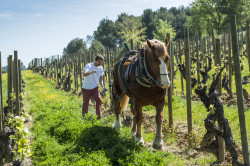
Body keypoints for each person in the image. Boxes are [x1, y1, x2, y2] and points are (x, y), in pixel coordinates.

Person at [82, 54, 106, 119]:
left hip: (95, 87)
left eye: (101, 62)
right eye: (99, 62)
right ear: (95, 60)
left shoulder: (101, 68)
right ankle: (84, 117)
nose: (100, 64)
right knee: (85, 103)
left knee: (98, 100)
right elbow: (84, 74)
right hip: (86, 88)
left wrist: (103, 87)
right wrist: (91, 72)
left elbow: (101, 79)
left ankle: (99, 117)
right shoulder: (89, 65)